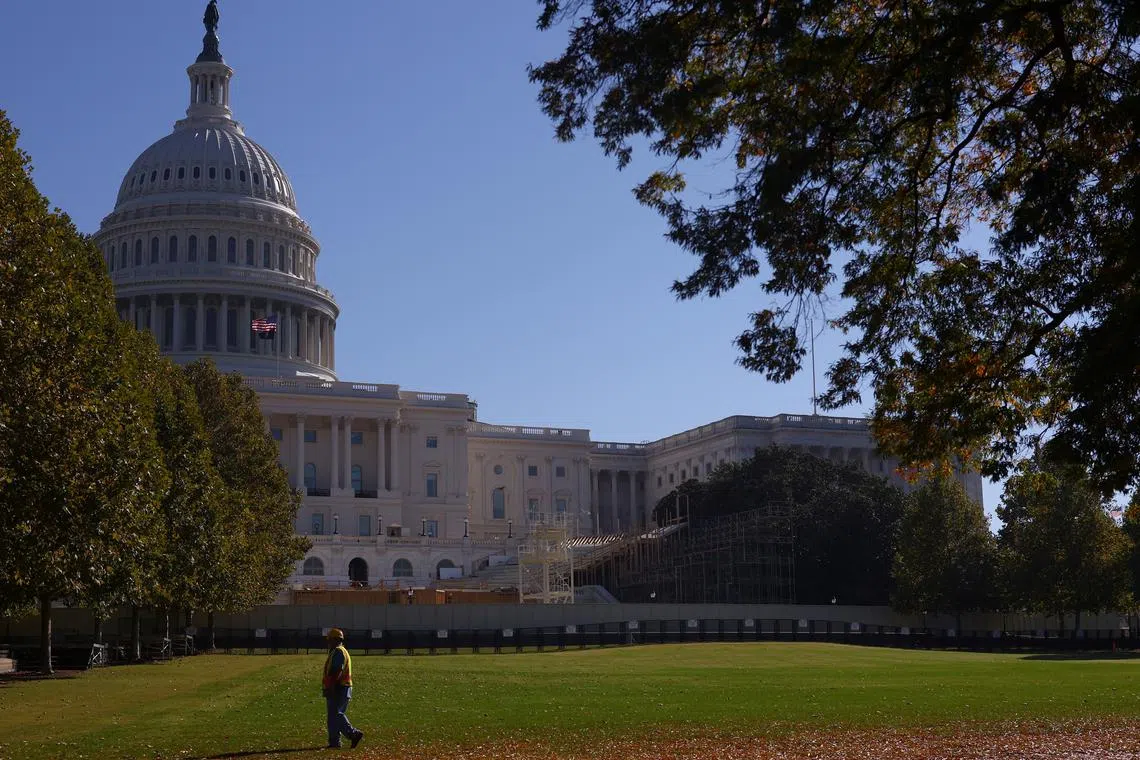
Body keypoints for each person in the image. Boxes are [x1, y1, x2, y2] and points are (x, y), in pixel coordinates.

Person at [321, 628, 363, 749]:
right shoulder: (339, 651)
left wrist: (332, 686)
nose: (328, 642)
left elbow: (337, 670)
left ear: (335, 640)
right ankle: (335, 742)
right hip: (341, 687)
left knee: (336, 714)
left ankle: (353, 733)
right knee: (333, 716)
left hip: (339, 687)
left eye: (329, 640)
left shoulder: (338, 651)